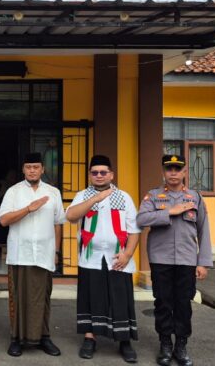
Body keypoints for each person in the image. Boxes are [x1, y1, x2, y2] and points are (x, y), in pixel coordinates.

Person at [136, 155, 213, 366]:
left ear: (184, 172)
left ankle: (181, 345)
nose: (173, 173)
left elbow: (203, 230)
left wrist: (203, 262)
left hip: (187, 260)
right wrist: (170, 211)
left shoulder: (194, 197)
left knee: (183, 303)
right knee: (162, 302)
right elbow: (141, 219)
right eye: (169, 169)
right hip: (160, 259)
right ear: (163, 172)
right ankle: (165, 344)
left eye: (177, 169)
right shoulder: (153, 196)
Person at [65, 155, 140, 363]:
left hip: (119, 258)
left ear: (111, 174)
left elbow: (134, 230)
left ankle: (124, 340)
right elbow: (71, 216)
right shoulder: (83, 195)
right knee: (91, 298)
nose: (99, 175)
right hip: (91, 257)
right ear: (90, 175)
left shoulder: (124, 197)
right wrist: (94, 199)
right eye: (95, 172)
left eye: (103, 172)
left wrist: (127, 254)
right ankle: (90, 338)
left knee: (121, 299)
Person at [0, 152, 65, 357]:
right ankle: (16, 339)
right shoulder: (13, 192)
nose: (32, 171)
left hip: (44, 253)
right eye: (28, 167)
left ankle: (44, 337)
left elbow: (58, 224)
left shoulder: (53, 193)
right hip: (20, 253)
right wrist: (28, 209)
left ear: (42, 169)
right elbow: (4, 220)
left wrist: (56, 251)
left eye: (36, 167)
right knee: (18, 298)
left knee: (42, 298)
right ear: (23, 170)